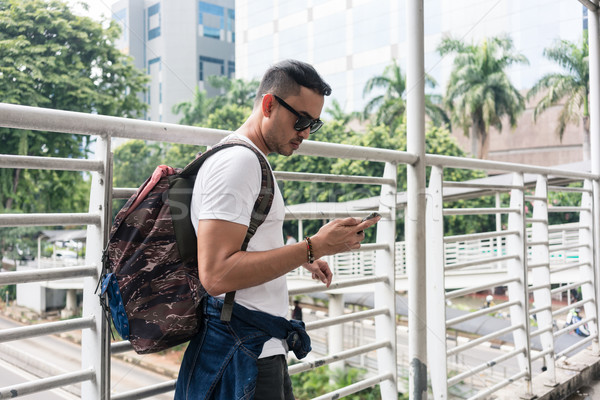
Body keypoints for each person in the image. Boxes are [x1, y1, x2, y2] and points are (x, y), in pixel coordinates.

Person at [174, 59, 380, 400]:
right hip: (240, 351)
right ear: (269, 104)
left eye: (314, 124)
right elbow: (216, 274)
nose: (305, 134)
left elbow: (245, 241)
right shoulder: (239, 163)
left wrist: (303, 257)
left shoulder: (249, 159)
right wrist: (313, 247)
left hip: (253, 344)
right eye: (300, 120)